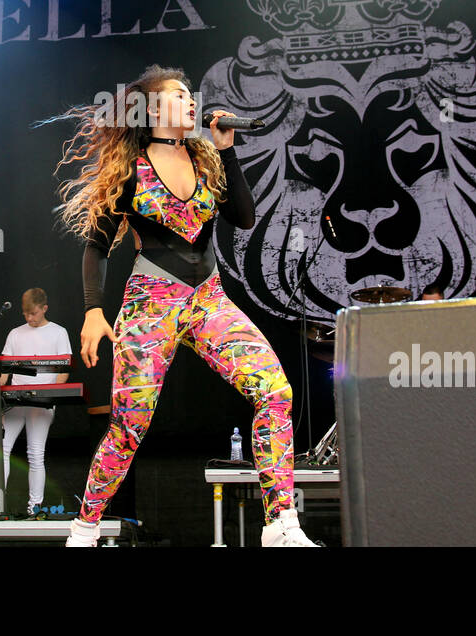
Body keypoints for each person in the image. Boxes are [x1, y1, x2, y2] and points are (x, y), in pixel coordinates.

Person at [53, 65, 315, 546]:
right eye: (179, 95)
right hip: (150, 304)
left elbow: (244, 215)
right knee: (129, 423)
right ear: (152, 109)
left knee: (275, 390)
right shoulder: (130, 171)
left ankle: (281, 524)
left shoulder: (206, 161)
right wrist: (93, 311)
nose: (192, 100)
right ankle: (84, 528)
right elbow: (95, 246)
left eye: (192, 94)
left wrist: (228, 151)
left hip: (209, 299)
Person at [0, 288, 72, 515]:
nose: (30, 318)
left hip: (42, 400)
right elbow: (4, 371)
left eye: (34, 313)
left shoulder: (59, 332)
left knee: (35, 453)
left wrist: (51, 395)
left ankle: (34, 508)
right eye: (26, 314)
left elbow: (64, 369)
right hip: (15, 399)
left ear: (44, 309)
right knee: (1, 449)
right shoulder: (15, 334)